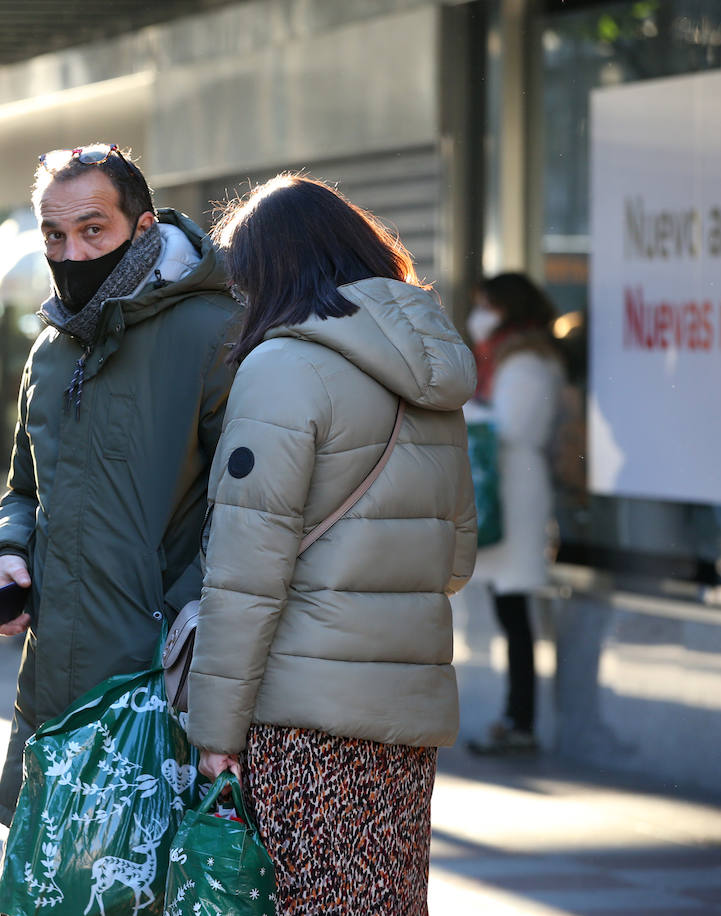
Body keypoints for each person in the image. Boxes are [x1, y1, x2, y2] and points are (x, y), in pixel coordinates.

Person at [185, 175, 478, 916]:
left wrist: (215, 735)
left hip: (302, 723)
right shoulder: (433, 372)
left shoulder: (282, 368)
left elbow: (244, 578)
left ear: (270, 272)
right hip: (408, 719)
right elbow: (456, 559)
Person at [0, 143, 239, 826]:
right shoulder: (52, 347)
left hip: (159, 680)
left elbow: (249, 508)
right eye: (55, 236)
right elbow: (24, 489)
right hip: (54, 678)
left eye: (95, 229)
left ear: (142, 229)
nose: (73, 252)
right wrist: (9, 554)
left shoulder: (214, 332)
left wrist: (178, 615)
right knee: (56, 884)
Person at [464, 273, 564, 756]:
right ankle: (514, 717)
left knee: (516, 615)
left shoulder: (526, 361)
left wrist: (461, 411)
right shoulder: (508, 356)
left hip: (518, 494)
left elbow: (512, 424)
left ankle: (520, 720)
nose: (477, 313)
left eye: (485, 304)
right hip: (508, 490)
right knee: (510, 613)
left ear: (505, 307)